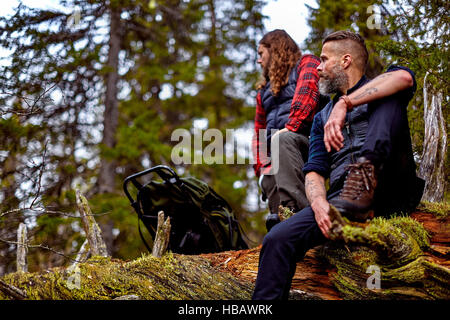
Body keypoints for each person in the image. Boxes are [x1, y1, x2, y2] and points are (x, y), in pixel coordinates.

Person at [252, 30, 424, 300]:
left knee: (389, 95)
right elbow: (315, 169)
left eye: (323, 59)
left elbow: (403, 78)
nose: (317, 67)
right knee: (277, 240)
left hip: (391, 186)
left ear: (345, 61)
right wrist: (319, 203)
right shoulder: (322, 116)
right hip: (343, 200)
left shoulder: (384, 84)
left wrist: (346, 103)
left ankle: (366, 173)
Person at [252, 29, 327, 231]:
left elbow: (307, 99)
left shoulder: (307, 63)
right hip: (279, 150)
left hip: (310, 142)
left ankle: (299, 217)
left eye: (261, 54)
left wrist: (287, 130)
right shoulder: (262, 92)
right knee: (269, 171)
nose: (258, 61)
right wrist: (260, 167)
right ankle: (282, 229)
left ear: (275, 50)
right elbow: (259, 132)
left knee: (280, 142)